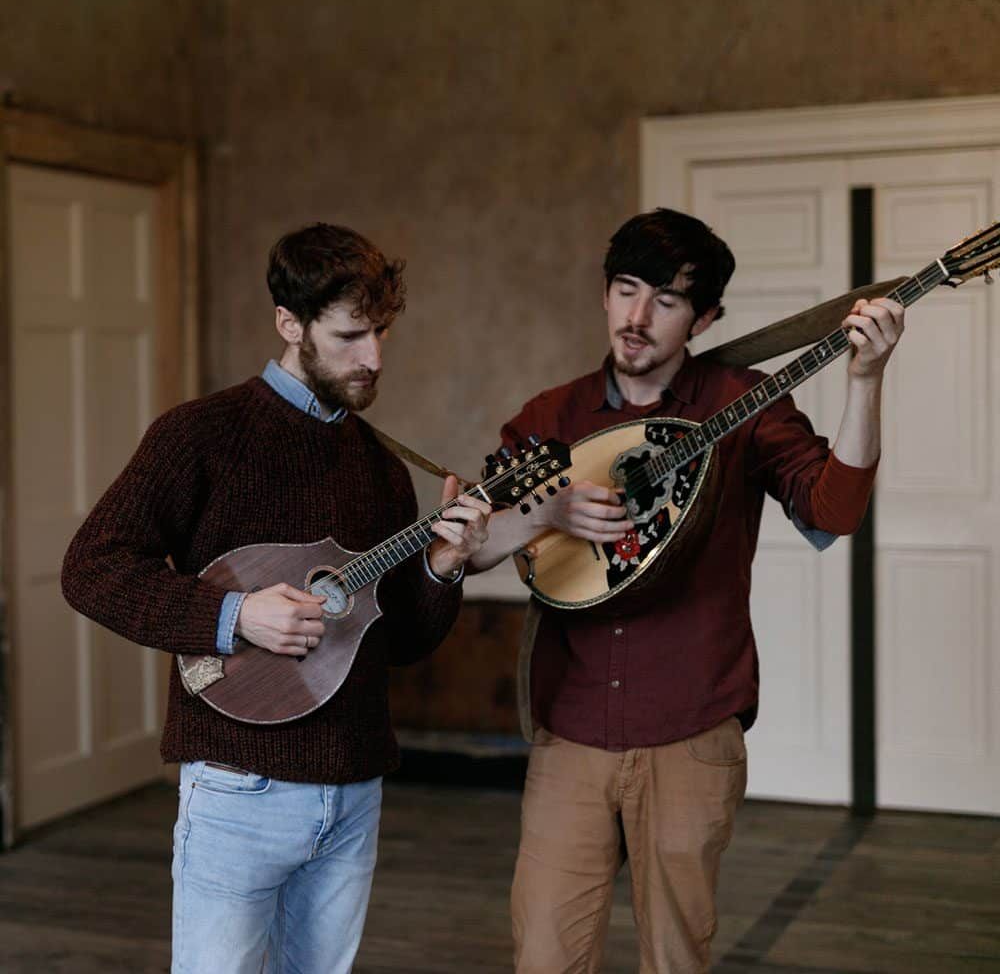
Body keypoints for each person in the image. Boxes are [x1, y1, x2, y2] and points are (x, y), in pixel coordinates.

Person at [469, 208, 905, 973]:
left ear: (705, 317)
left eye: (666, 301)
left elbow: (833, 512)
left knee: (676, 958)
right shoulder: (553, 418)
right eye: (625, 289)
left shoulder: (745, 404)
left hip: (691, 728)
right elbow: (468, 550)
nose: (636, 319)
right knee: (544, 956)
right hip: (569, 730)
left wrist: (864, 383)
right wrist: (549, 509)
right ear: (605, 293)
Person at [61, 223, 491, 974]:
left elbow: (404, 642)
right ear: (289, 324)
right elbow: (91, 567)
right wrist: (233, 616)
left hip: (353, 789)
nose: (374, 358)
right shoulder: (199, 435)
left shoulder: (382, 468)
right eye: (351, 335)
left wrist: (445, 565)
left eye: (382, 332)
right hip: (239, 786)